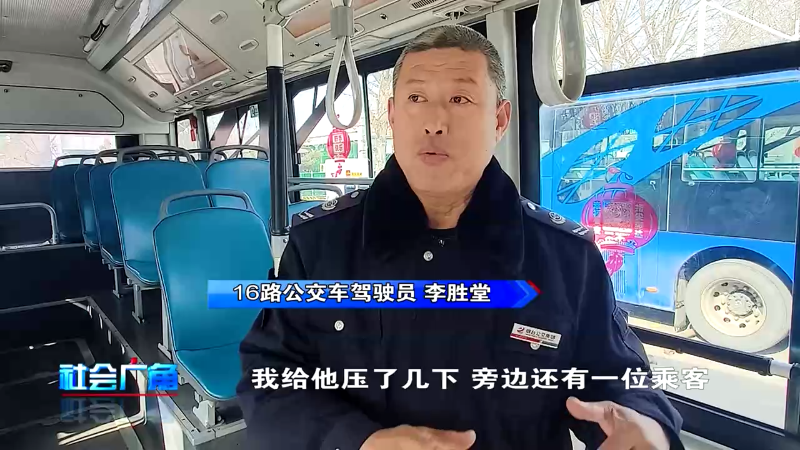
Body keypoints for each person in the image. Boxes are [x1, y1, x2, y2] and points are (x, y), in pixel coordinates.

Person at [237, 24, 684, 450]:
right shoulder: (319, 247)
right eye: (416, 98)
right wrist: (357, 440)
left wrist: (646, 422)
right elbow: (269, 376)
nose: (434, 122)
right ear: (392, 116)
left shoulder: (566, 257)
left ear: (500, 119)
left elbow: (619, 379)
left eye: (459, 98)